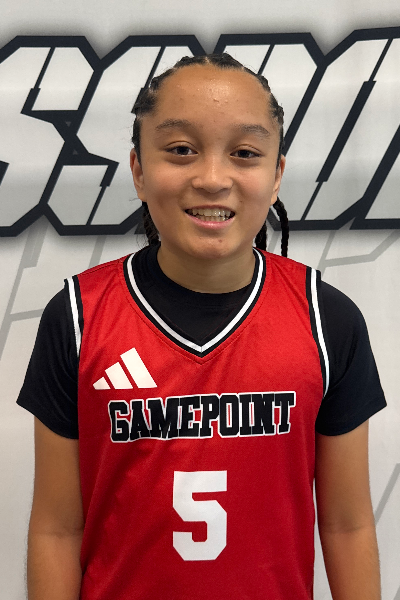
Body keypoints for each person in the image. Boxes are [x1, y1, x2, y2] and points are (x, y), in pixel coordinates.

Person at [18, 53, 386, 600]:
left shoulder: (327, 319)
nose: (212, 178)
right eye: (181, 150)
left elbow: (347, 525)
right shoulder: (77, 316)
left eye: (245, 153)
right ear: (139, 170)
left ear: (276, 175)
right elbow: (57, 529)